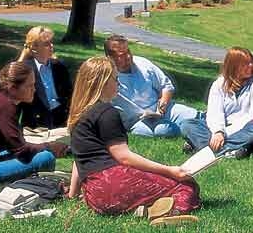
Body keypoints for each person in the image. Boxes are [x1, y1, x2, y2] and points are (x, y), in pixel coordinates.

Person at [67, 57, 200, 226]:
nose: (119, 84)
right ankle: (168, 212)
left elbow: (79, 159)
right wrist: (170, 171)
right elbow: (124, 157)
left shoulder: (78, 115)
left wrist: (72, 194)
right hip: (114, 184)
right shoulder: (107, 112)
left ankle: (146, 207)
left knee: (154, 184)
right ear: (101, 83)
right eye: (115, 79)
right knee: (187, 185)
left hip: (95, 197)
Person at [104, 34, 199, 137]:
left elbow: (166, 86)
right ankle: (188, 131)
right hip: (137, 120)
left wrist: (163, 104)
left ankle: (197, 127)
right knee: (163, 130)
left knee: (194, 116)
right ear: (110, 58)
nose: (128, 57)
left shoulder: (142, 63)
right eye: (122, 55)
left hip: (162, 110)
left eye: (128, 52)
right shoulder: (108, 78)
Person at [181, 47, 253, 158]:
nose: (251, 66)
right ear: (233, 66)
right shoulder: (219, 84)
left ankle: (204, 149)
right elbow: (214, 112)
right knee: (187, 125)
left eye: (251, 62)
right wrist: (218, 132)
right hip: (220, 127)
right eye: (245, 63)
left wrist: (225, 133)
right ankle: (228, 152)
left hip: (246, 128)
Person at [17, 26, 72, 128]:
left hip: (60, 120)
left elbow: (69, 95)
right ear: (34, 48)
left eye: (51, 42)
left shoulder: (59, 66)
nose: (51, 46)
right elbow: (16, 102)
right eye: (46, 44)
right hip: (36, 125)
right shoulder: (26, 69)